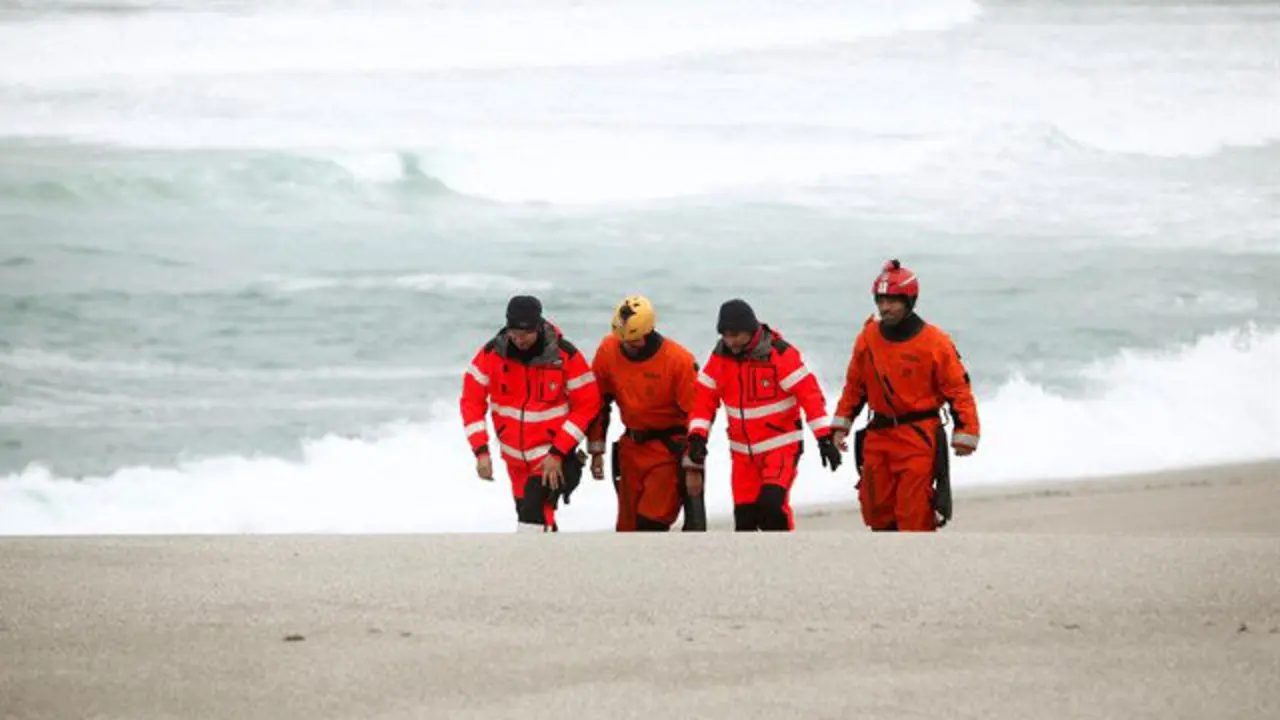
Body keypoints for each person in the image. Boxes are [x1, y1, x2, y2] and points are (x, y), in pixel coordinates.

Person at [830, 259, 981, 532]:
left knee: (914, 515)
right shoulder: (867, 338)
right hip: (878, 436)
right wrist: (841, 426)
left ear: (909, 301)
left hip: (918, 437)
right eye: (880, 300)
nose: (884, 307)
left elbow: (958, 390)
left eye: (892, 301)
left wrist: (966, 432)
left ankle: (916, 570)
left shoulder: (936, 342)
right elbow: (855, 387)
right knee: (877, 513)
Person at [683, 299, 843, 531]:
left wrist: (823, 438)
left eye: (735, 335)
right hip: (742, 456)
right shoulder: (720, 357)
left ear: (751, 330)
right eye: (725, 335)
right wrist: (697, 436)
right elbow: (703, 400)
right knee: (744, 520)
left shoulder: (779, 354)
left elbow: (810, 395)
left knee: (771, 507)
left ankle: (783, 559)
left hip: (781, 447)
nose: (730, 341)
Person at [459, 295, 601, 532]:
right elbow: (471, 401)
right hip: (514, 460)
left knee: (531, 518)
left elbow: (588, 404)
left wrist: (558, 452)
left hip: (552, 457)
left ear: (538, 327)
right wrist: (481, 451)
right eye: (514, 333)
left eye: (526, 334)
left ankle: (528, 566)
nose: (519, 339)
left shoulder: (564, 355)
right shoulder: (491, 354)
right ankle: (549, 566)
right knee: (532, 519)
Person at [585, 295, 705, 532]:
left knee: (651, 522)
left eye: (633, 340)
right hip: (631, 450)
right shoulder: (608, 350)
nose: (627, 346)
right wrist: (596, 450)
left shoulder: (678, 361)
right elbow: (598, 403)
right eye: (623, 340)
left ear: (648, 331)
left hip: (668, 451)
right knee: (627, 529)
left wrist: (694, 467)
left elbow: (698, 416)